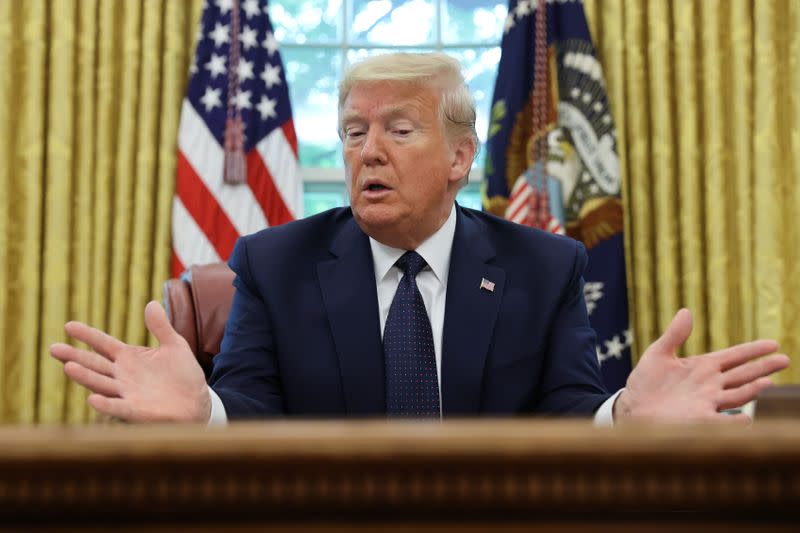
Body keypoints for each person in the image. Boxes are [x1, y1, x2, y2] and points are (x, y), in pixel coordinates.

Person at [50, 53, 788, 424]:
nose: (367, 151)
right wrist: (204, 410)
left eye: (398, 130)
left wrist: (621, 414)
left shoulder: (545, 265)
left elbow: (566, 411)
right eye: (353, 132)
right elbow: (251, 409)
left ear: (460, 159)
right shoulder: (275, 263)